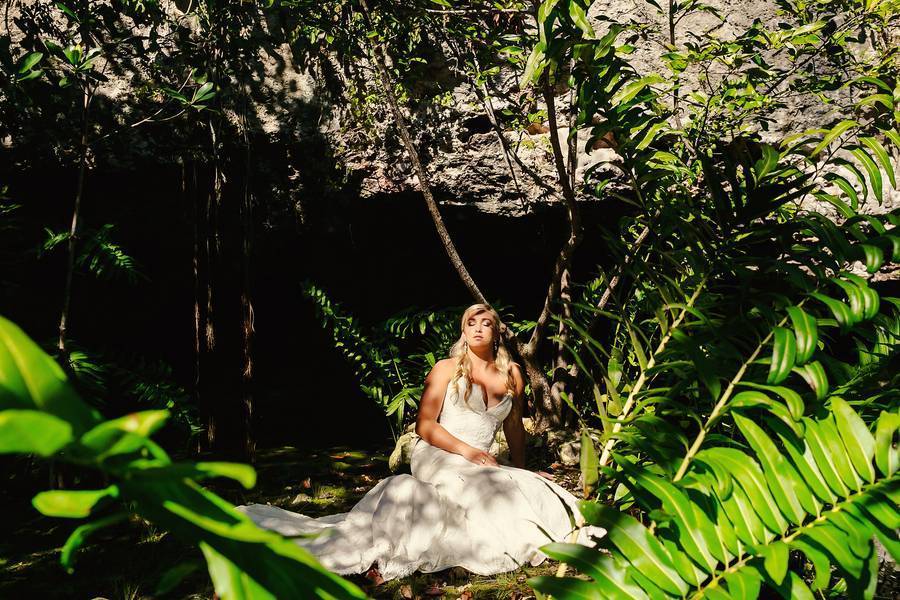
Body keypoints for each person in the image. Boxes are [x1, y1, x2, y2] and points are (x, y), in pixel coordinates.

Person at [238, 303, 604, 582]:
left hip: (479, 459)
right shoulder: (447, 368)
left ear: (496, 332)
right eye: (471, 323)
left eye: (486, 322)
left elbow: (513, 429)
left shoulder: (512, 374)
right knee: (476, 483)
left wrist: (520, 472)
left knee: (519, 487)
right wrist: (468, 452)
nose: (478, 328)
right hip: (440, 452)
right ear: (463, 331)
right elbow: (424, 425)